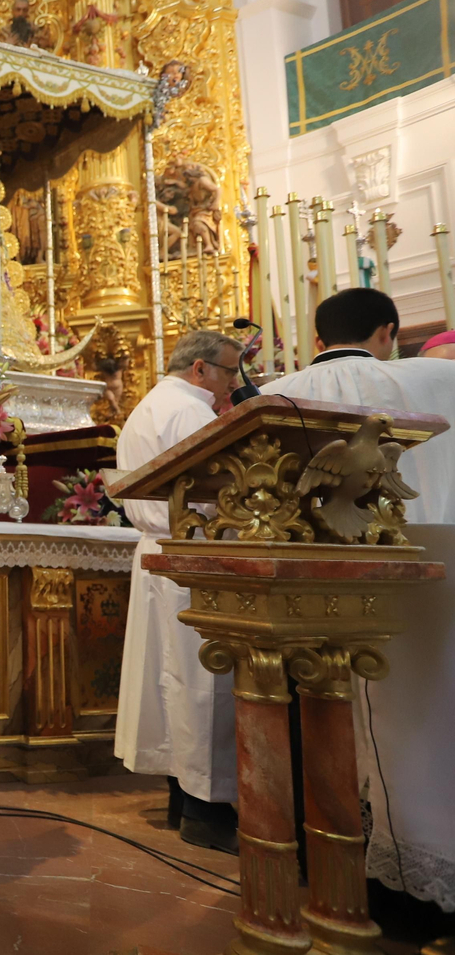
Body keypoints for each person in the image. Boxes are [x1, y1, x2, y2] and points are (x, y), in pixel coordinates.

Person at [262, 288, 455, 913]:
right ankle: (419, 871)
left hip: (308, 574)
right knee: (426, 718)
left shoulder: (274, 394)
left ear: (318, 339)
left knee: (321, 713)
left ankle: (337, 865)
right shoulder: (435, 379)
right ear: (387, 331)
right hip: (433, 564)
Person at [114, 329, 244, 853]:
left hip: (161, 552)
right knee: (202, 685)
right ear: (200, 370)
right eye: (230, 371)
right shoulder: (192, 412)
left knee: (172, 684)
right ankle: (205, 811)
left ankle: (181, 798)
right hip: (193, 557)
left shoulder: (150, 405)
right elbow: (215, 493)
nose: (234, 384)